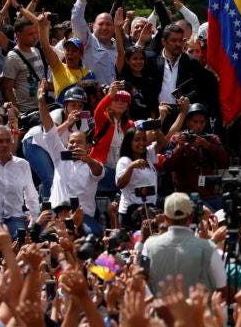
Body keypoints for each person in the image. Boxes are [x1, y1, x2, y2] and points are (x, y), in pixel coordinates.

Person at [33, 79, 104, 236]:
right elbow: (49, 130)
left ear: (88, 147)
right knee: (46, 238)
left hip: (83, 216)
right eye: (71, 142)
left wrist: (87, 159)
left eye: (79, 143)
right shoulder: (60, 157)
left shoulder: (91, 164)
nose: (74, 145)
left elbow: (99, 171)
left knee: (94, 236)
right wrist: (41, 102)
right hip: (57, 215)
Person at [116, 99, 188, 230]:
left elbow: (165, 140)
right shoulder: (124, 161)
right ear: (129, 142)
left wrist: (181, 113)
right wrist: (132, 167)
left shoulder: (149, 154)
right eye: (137, 140)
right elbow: (120, 184)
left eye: (143, 139)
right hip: (131, 213)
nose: (142, 143)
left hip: (150, 209)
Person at [143, 192, 227, 294]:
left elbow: (143, 285)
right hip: (199, 309)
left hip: (162, 308)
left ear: (165, 218)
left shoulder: (149, 245)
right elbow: (222, 288)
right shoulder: (209, 248)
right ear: (191, 217)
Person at [162, 103, 228, 210]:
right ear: (188, 122)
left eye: (202, 122)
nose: (199, 125)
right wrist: (179, 148)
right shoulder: (177, 139)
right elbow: (166, 166)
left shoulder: (211, 139)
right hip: (185, 197)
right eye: (195, 122)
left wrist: (206, 145)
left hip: (209, 195)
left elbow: (224, 160)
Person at [88, 81, 134, 193]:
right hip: (103, 171)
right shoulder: (103, 119)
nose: (120, 103)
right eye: (116, 99)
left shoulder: (130, 125)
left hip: (121, 172)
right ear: (109, 102)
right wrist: (110, 95)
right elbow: (98, 111)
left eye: (124, 101)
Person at [113, 8, 158, 120]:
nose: (138, 62)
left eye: (141, 59)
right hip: (126, 123)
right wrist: (117, 27)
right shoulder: (123, 73)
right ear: (127, 61)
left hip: (145, 124)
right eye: (134, 59)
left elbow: (152, 107)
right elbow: (120, 51)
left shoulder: (149, 80)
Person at [71, 0, 117, 84]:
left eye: (108, 24)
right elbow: (76, 18)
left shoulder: (119, 47)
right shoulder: (87, 42)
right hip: (92, 98)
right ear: (92, 27)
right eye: (100, 24)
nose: (105, 28)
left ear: (114, 27)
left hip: (116, 99)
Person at [2, 10, 45, 113]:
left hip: (42, 107)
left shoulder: (37, 51)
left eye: (36, 33)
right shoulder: (12, 57)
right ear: (18, 35)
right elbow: (7, 89)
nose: (35, 37)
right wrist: (18, 113)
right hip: (27, 112)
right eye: (30, 34)